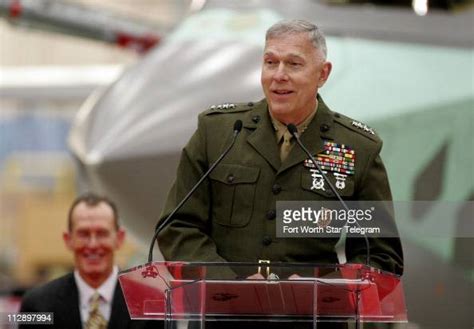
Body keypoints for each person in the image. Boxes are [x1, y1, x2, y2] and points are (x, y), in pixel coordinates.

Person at [157, 19, 403, 327]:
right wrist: (229, 285)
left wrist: (323, 290)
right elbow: (177, 227)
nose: (279, 76)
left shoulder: (357, 148)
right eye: (270, 62)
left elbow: (381, 259)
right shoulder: (218, 132)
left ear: (322, 74)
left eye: (294, 64)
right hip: (223, 319)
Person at [20, 193, 156, 329]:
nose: (93, 245)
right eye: (83, 234)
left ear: (119, 238)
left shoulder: (151, 302)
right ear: (68, 239)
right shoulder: (35, 305)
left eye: (102, 233)